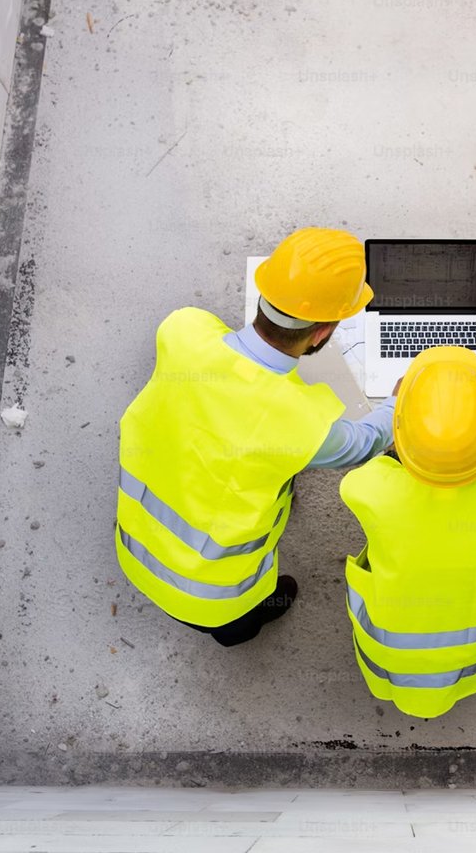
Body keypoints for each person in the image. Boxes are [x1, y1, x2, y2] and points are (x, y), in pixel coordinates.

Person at [115, 227, 397, 646]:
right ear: (322, 333)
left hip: (133, 551)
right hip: (213, 597)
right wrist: (401, 401)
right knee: (235, 628)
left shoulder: (182, 331)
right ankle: (245, 624)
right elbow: (367, 441)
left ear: (264, 292)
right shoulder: (304, 427)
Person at [340, 347, 476, 718]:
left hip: (384, 657)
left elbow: (371, 472)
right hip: (467, 658)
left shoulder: (369, 487)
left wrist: (400, 417)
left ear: (399, 437)